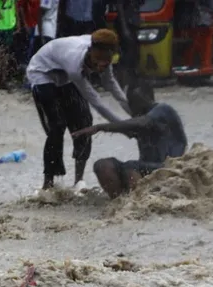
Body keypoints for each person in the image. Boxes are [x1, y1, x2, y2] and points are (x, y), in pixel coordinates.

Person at [26, 29, 129, 192]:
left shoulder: (105, 57)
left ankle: (78, 181)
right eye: (97, 61)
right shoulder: (74, 63)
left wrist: (135, 116)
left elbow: (112, 86)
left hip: (64, 75)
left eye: (106, 62)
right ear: (90, 51)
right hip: (42, 72)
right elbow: (96, 101)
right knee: (57, 126)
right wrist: (123, 126)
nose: (101, 66)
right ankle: (48, 183)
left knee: (84, 122)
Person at [73, 82, 187, 198]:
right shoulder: (138, 121)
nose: (131, 107)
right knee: (102, 165)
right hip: (143, 169)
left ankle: (138, 202)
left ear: (148, 98)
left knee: (130, 166)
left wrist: (99, 127)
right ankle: (119, 204)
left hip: (167, 168)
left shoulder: (164, 110)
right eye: (130, 103)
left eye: (134, 102)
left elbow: (142, 122)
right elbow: (129, 128)